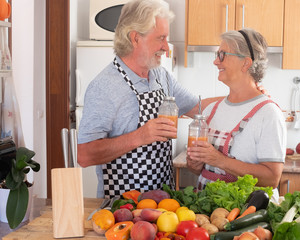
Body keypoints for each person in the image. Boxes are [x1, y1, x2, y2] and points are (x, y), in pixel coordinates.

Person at [77, 0, 223, 198]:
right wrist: (140, 136)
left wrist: (248, 97)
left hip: (163, 202)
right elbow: (84, 155)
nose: (166, 47)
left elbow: (198, 108)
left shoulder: (160, 76)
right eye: (160, 38)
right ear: (135, 38)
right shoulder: (105, 87)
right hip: (122, 207)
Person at [186, 28, 286, 201]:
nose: (216, 62)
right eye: (217, 54)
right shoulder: (212, 110)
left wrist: (219, 160)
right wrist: (195, 164)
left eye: (222, 54)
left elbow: (272, 179)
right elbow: (199, 170)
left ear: (246, 63)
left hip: (247, 217)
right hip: (207, 215)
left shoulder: (269, 114)